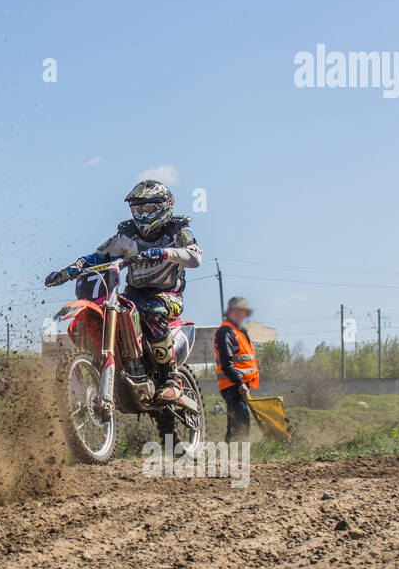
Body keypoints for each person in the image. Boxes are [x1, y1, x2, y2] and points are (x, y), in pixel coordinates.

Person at [45, 180, 203, 401]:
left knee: (152, 310)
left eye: (151, 208)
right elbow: (99, 255)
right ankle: (116, 366)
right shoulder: (127, 234)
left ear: (165, 207)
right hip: (133, 294)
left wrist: (165, 253)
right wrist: (73, 269)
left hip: (168, 297)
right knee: (110, 310)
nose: (145, 213)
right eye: (140, 209)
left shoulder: (178, 230)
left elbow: (195, 257)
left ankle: (171, 377)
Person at [215, 296, 259, 442]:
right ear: (231, 312)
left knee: (240, 421)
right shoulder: (225, 331)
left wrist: (244, 383)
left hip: (240, 384)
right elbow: (227, 363)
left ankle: (234, 451)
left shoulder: (240, 331)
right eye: (238, 311)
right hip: (232, 385)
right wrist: (240, 383)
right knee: (239, 423)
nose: (241, 314)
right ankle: (236, 452)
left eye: (243, 311)